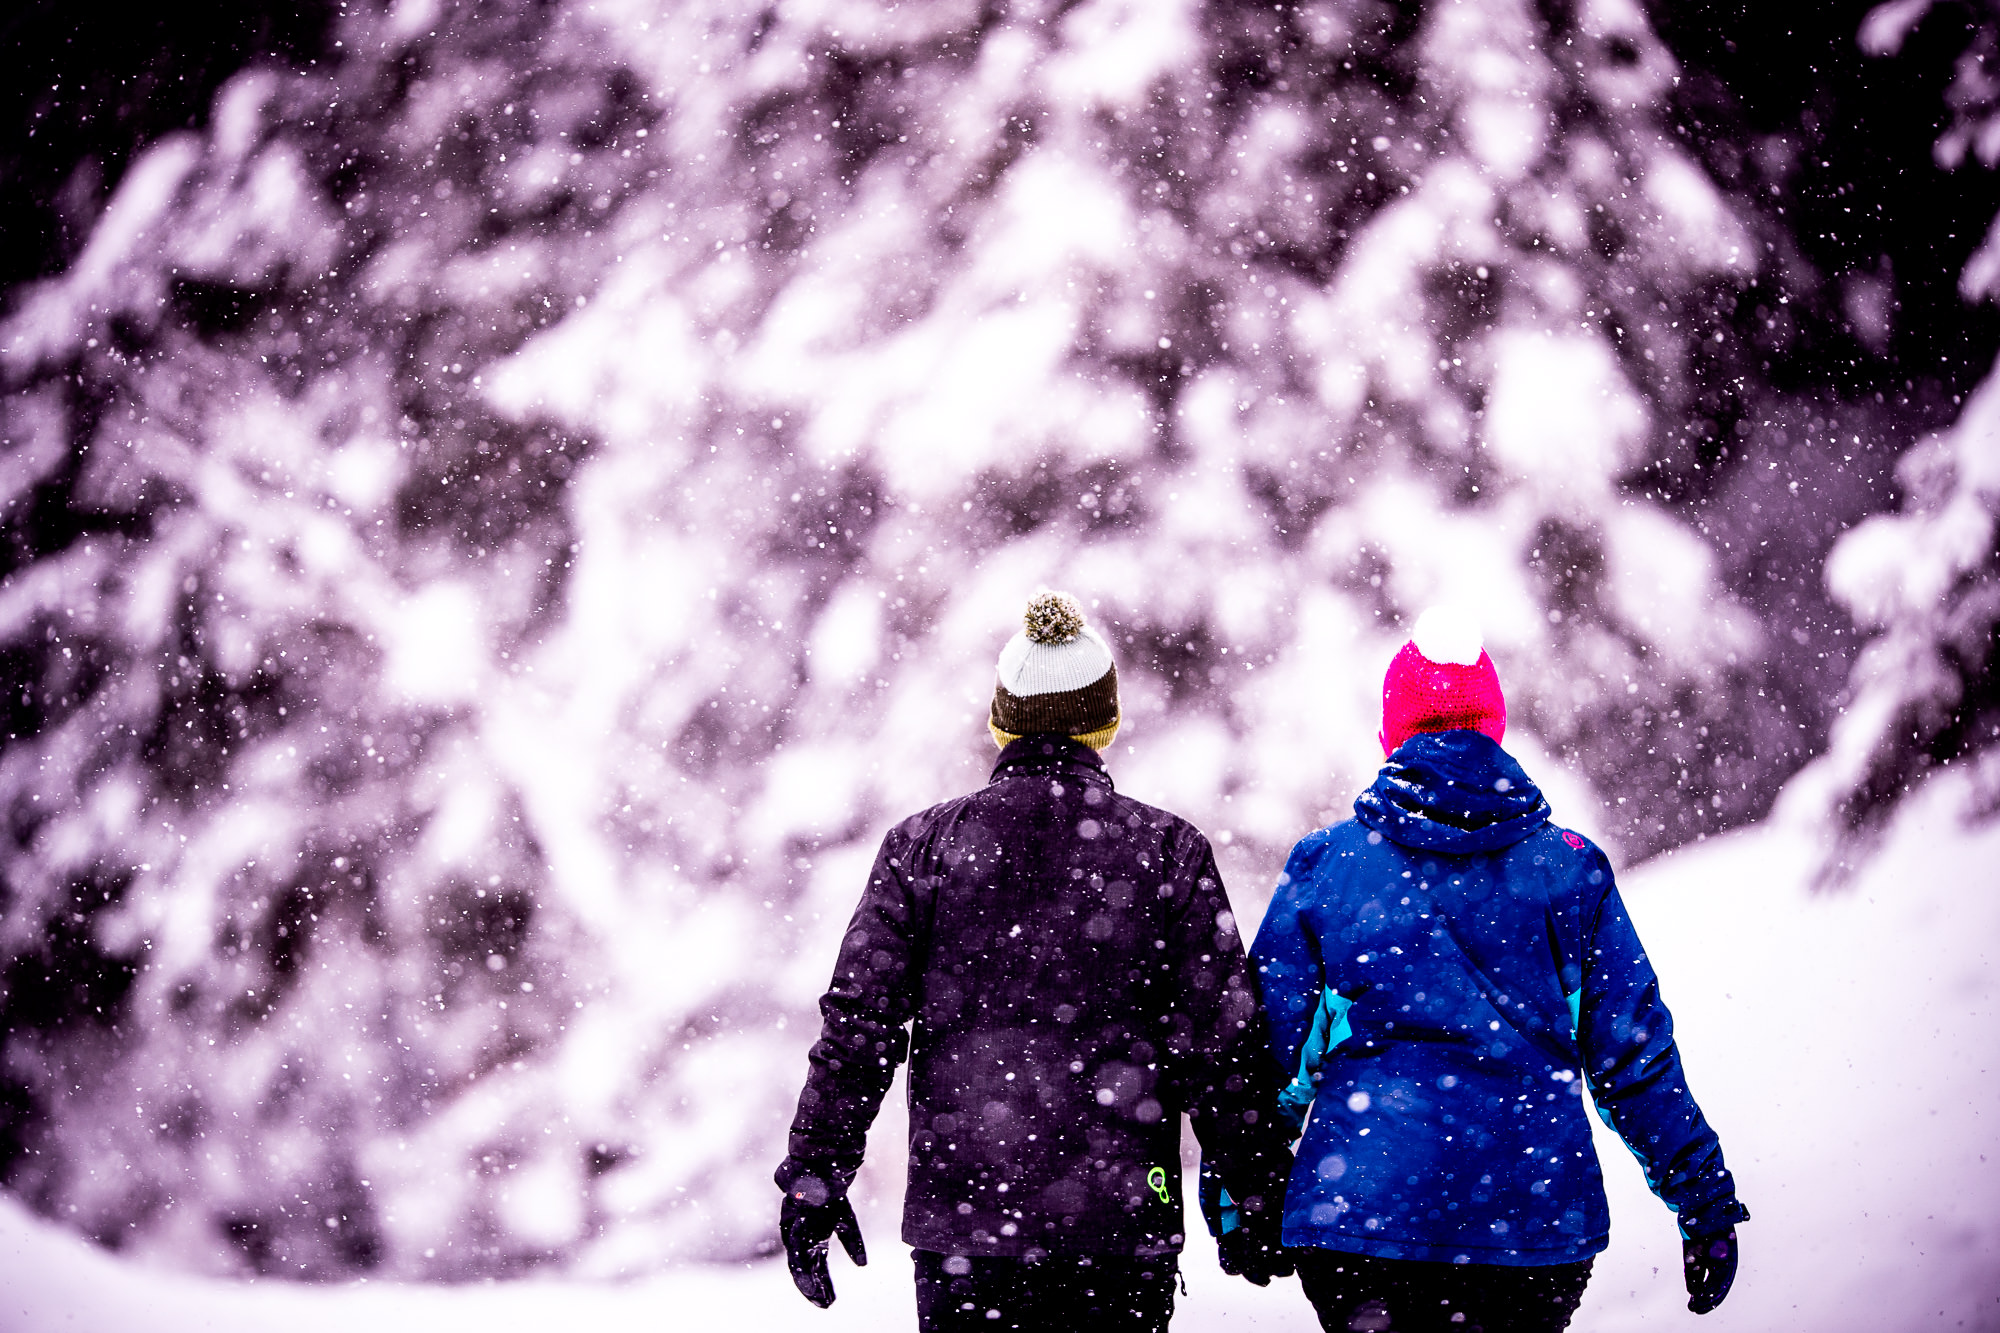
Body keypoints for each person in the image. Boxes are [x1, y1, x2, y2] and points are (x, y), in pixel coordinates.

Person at [775, 590, 1298, 1331]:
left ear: (1001, 723)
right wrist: (1253, 1186)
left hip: (969, 1226)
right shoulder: (1167, 851)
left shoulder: (924, 847)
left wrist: (817, 1170)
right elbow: (1222, 1042)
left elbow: (860, 1024)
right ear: (1105, 722)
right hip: (1119, 1226)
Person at [1244, 607, 1748, 1331]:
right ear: (1496, 729)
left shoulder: (1330, 868)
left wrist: (1242, 1190)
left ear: (1392, 734)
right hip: (1530, 1221)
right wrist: (1702, 1199)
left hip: (1363, 1219)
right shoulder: (1567, 870)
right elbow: (1632, 1055)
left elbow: (1263, 1055)